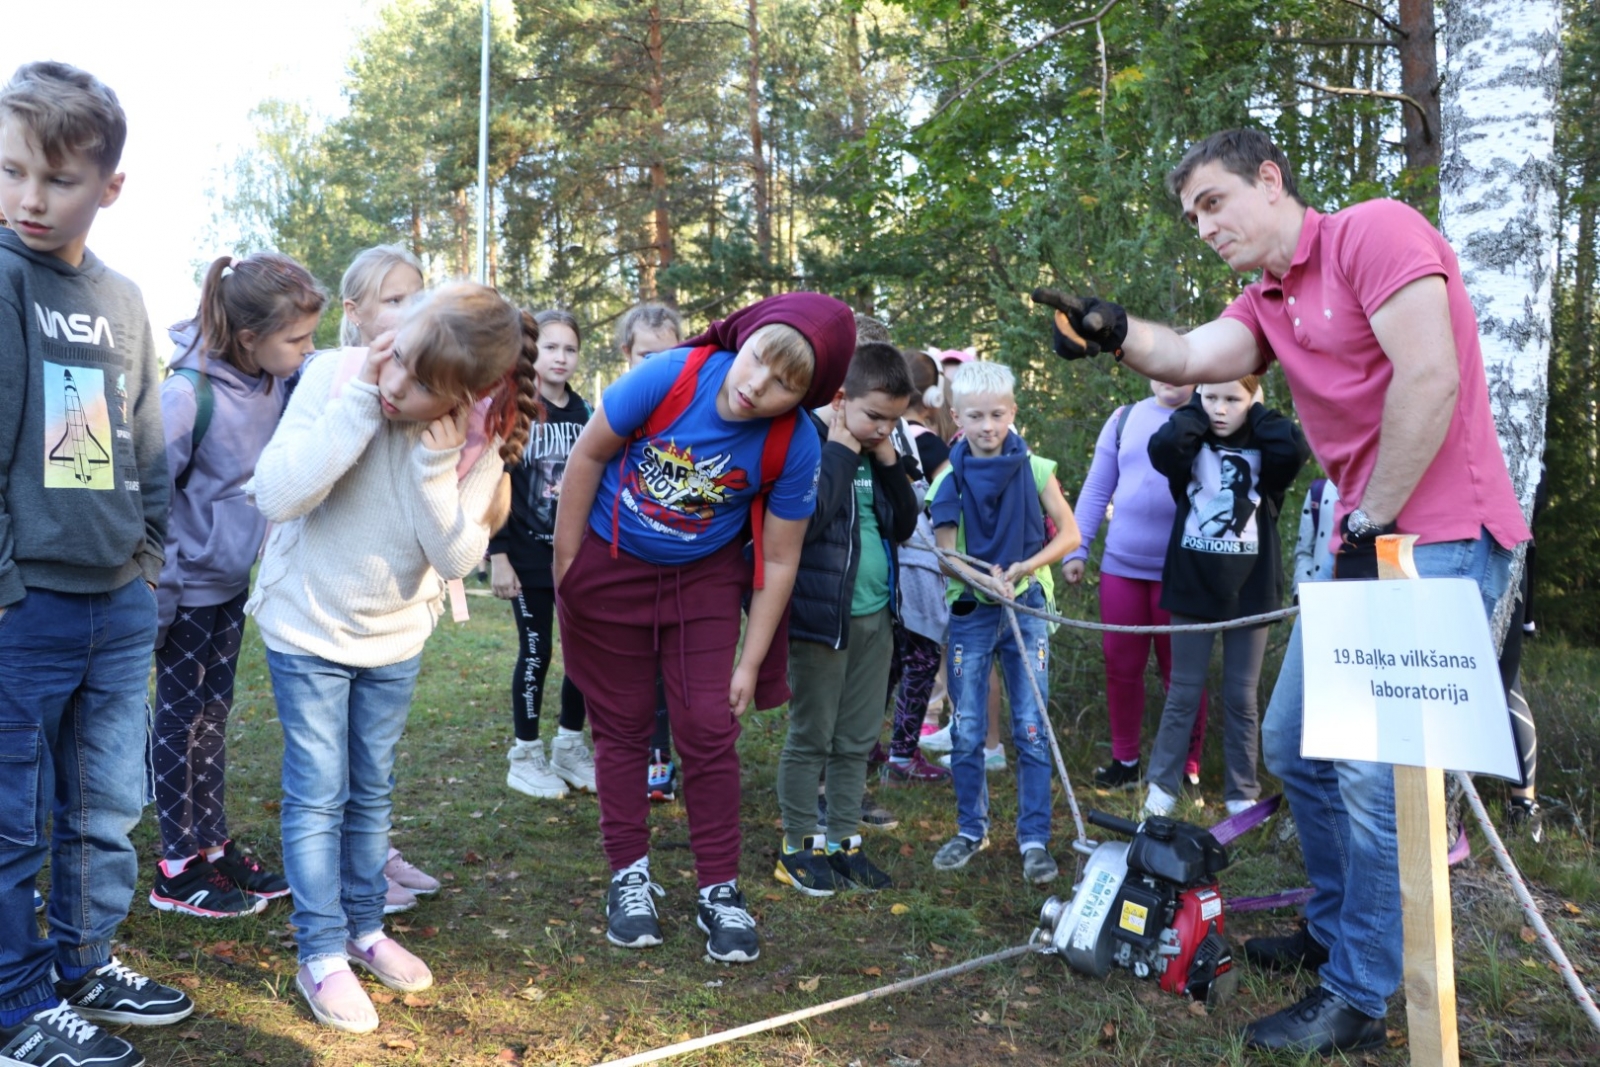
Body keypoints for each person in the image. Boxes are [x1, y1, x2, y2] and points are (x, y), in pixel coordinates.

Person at [1037, 127, 1530, 1054]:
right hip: (1369, 537)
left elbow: (1430, 378)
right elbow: (1184, 358)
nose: (1205, 226)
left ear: (1270, 179)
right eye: (1192, 217)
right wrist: (1111, 329)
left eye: (1215, 203)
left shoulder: (1372, 234)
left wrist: (1368, 516)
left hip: (1443, 537)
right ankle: (1339, 931)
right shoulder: (1266, 299)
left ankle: (1359, 990)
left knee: (1372, 778)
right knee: (1294, 746)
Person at [248, 282, 540, 1032]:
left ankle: (365, 927)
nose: (397, 386)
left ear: (465, 395)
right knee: (318, 790)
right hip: (307, 626)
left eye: (423, 388)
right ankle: (320, 950)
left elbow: (453, 554)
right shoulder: (336, 377)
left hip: (394, 637)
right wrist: (358, 408)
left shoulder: (480, 430)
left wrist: (433, 468)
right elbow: (278, 493)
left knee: (371, 787)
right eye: (399, 360)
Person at [555, 292, 853, 964]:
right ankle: (629, 875)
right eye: (756, 362)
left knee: (709, 729)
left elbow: (779, 558)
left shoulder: (795, 444)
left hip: (702, 584)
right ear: (740, 340)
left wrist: (749, 662)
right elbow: (587, 456)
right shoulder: (673, 375)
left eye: (785, 384)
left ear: (806, 396)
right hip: (611, 564)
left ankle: (720, 889)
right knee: (625, 725)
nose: (757, 386)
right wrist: (569, 565)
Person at [0, 61, 196, 1067]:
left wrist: (149, 556)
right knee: (11, 818)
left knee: (108, 806)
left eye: (59, 178)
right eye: (11, 172)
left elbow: (142, 439)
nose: (31, 199)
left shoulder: (121, 299)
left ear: (109, 186)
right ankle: (16, 1003)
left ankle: (84, 960)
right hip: (19, 608)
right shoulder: (0, 278)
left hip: (116, 601)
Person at [150, 253, 326, 919]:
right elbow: (150, 501)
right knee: (176, 718)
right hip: (183, 591)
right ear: (249, 338)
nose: (307, 351)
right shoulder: (183, 398)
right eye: (297, 339)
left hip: (231, 588)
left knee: (213, 716)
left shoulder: (275, 384)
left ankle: (212, 844)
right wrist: (161, 597)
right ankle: (175, 864)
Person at [926, 361, 1080, 886]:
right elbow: (945, 555)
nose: (988, 425)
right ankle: (972, 829)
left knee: (1031, 726)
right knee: (967, 728)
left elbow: (1070, 535)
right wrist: (981, 579)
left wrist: (1026, 567)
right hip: (972, 613)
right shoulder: (949, 477)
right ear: (956, 418)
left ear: (1012, 412)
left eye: (997, 414)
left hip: (1028, 608)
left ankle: (1034, 838)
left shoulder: (1035, 469)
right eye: (976, 416)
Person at [775, 342, 918, 895]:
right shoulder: (808, 442)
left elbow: (904, 524)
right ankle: (797, 845)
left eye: (894, 421)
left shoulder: (877, 449)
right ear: (840, 400)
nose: (884, 429)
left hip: (875, 616)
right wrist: (840, 448)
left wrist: (885, 460)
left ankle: (842, 843)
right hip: (821, 618)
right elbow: (807, 522)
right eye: (874, 417)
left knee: (857, 737)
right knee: (812, 734)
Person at [1143, 377, 1308, 817]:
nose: (1220, 409)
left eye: (1232, 399)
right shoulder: (1190, 438)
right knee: (1183, 691)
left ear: (1253, 399)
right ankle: (1161, 788)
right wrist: (1196, 408)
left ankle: (1241, 793)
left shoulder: (1266, 447)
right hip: (1192, 587)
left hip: (1250, 593)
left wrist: (1255, 410)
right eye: (1210, 397)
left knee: (1241, 695)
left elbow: (1294, 449)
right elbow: (1162, 449)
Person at [335, 244, 441, 913]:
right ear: (356, 311)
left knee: (373, 754)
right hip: (336, 602)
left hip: (397, 605)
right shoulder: (338, 376)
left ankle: (371, 849)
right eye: (396, 299)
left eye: (417, 296)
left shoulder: (426, 383)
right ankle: (349, 865)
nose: (411, 309)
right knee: (335, 756)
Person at [1064, 380, 1210, 792]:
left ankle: (1186, 767)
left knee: (1181, 674)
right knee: (1121, 667)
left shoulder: (1210, 418)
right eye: (1159, 369)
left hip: (1181, 572)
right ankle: (1125, 761)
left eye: (1178, 371)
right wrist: (1077, 549)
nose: (1168, 379)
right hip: (1121, 568)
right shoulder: (1123, 418)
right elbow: (1096, 488)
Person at [491, 309, 597, 799]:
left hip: (576, 559)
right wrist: (499, 555)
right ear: (533, 353)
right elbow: (494, 486)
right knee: (537, 652)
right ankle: (525, 755)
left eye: (569, 349)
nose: (560, 357)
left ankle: (569, 747)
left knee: (583, 655)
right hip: (527, 559)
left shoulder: (588, 414)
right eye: (551, 347)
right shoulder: (516, 408)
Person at [614, 302, 685, 801]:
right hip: (624, 556)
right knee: (629, 664)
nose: (656, 366)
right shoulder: (617, 405)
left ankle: (660, 756)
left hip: (677, 558)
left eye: (667, 355)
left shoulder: (690, 409)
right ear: (626, 355)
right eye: (645, 356)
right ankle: (627, 752)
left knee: (668, 665)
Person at [882, 350, 954, 785]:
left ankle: (866, 744)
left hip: (885, 567)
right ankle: (903, 754)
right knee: (923, 658)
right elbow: (949, 502)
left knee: (887, 662)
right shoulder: (929, 444)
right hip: (921, 566)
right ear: (931, 396)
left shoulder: (880, 435)